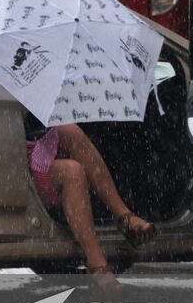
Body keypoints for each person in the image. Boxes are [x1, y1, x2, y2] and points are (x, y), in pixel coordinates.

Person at [27, 118, 154, 292]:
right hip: (16, 158)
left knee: (70, 130)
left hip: (32, 148)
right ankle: (96, 262)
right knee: (72, 171)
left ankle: (123, 215)